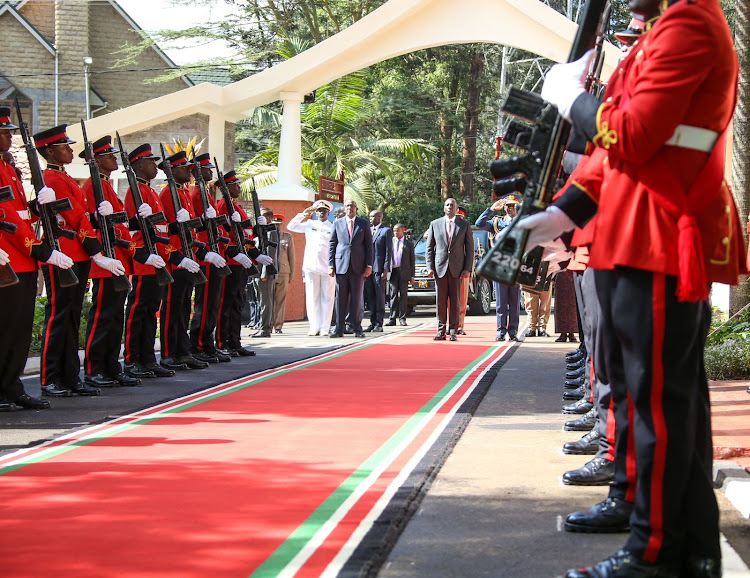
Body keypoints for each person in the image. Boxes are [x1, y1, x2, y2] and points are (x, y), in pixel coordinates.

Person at [522, 0, 745, 575]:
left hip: (659, 235)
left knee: (657, 407)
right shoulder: (665, 29)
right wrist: (565, 211)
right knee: (662, 400)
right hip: (635, 231)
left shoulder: (689, 24)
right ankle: (692, 548)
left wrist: (570, 98)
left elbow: (636, 135)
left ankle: (656, 551)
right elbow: (606, 155)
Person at [33, 124, 122, 397]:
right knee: (60, 316)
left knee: (71, 316)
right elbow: (75, 218)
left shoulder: (66, 178)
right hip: (64, 253)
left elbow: (82, 215)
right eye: (64, 146)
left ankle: (70, 375)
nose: (70, 150)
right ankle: (51, 377)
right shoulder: (53, 178)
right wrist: (97, 251)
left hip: (77, 253)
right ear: (50, 151)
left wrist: (97, 219)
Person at [0, 109, 73, 410]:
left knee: (19, 329)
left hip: (24, 261)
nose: (10, 136)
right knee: (5, 329)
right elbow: (7, 218)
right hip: (10, 260)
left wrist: (36, 206)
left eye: (11, 132)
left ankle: (11, 387)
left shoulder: (9, 167)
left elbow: (19, 213)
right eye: (5, 132)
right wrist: (41, 249)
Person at [81, 136, 146, 388]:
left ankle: (111, 366)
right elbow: (87, 224)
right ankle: (94, 368)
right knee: (102, 316)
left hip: (118, 259)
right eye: (108, 155)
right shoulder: (91, 186)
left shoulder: (107, 187)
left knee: (115, 317)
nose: (114, 158)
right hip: (104, 260)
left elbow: (118, 226)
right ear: (96, 161)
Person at [123, 143, 176, 379]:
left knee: (151, 309)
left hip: (158, 256)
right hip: (144, 258)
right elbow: (130, 226)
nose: (156, 167)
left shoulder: (151, 192)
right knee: (138, 310)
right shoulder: (135, 192)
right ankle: (132, 359)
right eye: (152, 163)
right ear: (140, 166)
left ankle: (147, 358)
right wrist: (137, 219)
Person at [158, 150, 211, 371]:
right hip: (174, 257)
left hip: (187, 254)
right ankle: (170, 353)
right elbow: (166, 230)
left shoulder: (182, 194)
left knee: (181, 307)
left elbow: (189, 229)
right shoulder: (168, 194)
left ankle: (182, 350)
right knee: (172, 307)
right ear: (171, 171)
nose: (189, 171)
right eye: (183, 167)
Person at [215, 169, 271, 356]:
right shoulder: (224, 206)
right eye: (235, 185)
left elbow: (245, 236)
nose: (239, 187)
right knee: (227, 304)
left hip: (242, 261)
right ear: (227, 187)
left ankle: (234, 341)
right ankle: (223, 342)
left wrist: (257, 230)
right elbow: (224, 235)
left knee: (237, 303)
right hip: (231, 261)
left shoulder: (236, 207)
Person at [188, 153, 230, 363]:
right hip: (205, 254)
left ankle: (208, 343)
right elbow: (197, 226)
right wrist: (204, 220)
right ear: (198, 171)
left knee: (212, 302)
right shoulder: (197, 194)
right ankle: (198, 344)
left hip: (214, 252)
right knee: (204, 303)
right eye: (207, 169)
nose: (210, 172)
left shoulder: (204, 192)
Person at [425, 197, 474, 341]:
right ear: (444, 208)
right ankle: (440, 330)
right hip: (440, 268)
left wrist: (467, 268)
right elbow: (429, 249)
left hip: (457, 269)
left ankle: (453, 329)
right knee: (440, 301)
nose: (449, 207)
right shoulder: (435, 224)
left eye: (452, 205)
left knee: (455, 300)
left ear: (456, 209)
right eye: (447, 205)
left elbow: (469, 250)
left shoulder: (464, 225)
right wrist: (430, 267)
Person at [475, 195, 521, 341]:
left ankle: (513, 331)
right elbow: (479, 223)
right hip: (499, 266)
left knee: (514, 301)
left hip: (515, 265)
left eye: (513, 205)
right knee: (501, 301)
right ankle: (501, 331)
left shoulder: (522, 223)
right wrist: (491, 210)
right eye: (508, 205)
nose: (510, 208)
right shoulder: (497, 222)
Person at [287, 200, 336, 336]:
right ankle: (314, 327)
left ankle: (325, 327)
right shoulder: (310, 224)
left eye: (324, 211)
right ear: (315, 212)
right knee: (312, 297)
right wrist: (303, 214)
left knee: (327, 298)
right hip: (311, 266)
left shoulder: (333, 227)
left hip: (327, 267)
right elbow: (292, 226)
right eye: (319, 210)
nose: (321, 213)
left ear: (328, 213)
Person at [328, 198, 373, 338]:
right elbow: (332, 244)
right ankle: (339, 328)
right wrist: (330, 265)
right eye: (347, 206)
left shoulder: (363, 224)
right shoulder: (337, 223)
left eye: (352, 206)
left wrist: (369, 265)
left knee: (356, 299)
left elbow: (368, 246)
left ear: (356, 209)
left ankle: (357, 328)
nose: (350, 208)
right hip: (341, 266)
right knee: (340, 299)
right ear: (344, 209)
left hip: (358, 266)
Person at [252, 206, 279, 338]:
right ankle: (261, 326)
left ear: (269, 218)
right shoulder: (259, 231)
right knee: (260, 301)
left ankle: (265, 329)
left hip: (265, 273)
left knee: (265, 302)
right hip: (257, 272)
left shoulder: (271, 231)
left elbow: (271, 254)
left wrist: (264, 273)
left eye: (263, 216)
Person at [386, 223, 415, 326]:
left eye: (398, 230)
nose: (396, 232)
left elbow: (412, 261)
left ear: (403, 231)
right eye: (394, 230)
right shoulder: (390, 242)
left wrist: (412, 276)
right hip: (393, 272)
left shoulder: (409, 244)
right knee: (393, 296)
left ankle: (402, 318)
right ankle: (392, 318)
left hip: (404, 273)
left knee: (403, 296)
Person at [272, 215, 295, 333]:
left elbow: (292, 257)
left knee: (281, 301)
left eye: (278, 224)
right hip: (270, 273)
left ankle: (278, 326)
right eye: (274, 224)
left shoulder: (287, 237)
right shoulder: (267, 236)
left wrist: (291, 275)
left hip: (283, 272)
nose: (276, 227)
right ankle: (267, 325)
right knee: (268, 301)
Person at [454, 206, 472, 336]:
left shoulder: (466, 228)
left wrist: (469, 269)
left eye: (460, 217)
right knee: (448, 300)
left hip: (463, 269)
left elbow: (470, 250)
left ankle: (459, 325)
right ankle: (450, 325)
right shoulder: (445, 226)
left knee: (462, 299)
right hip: (448, 268)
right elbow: (428, 235)